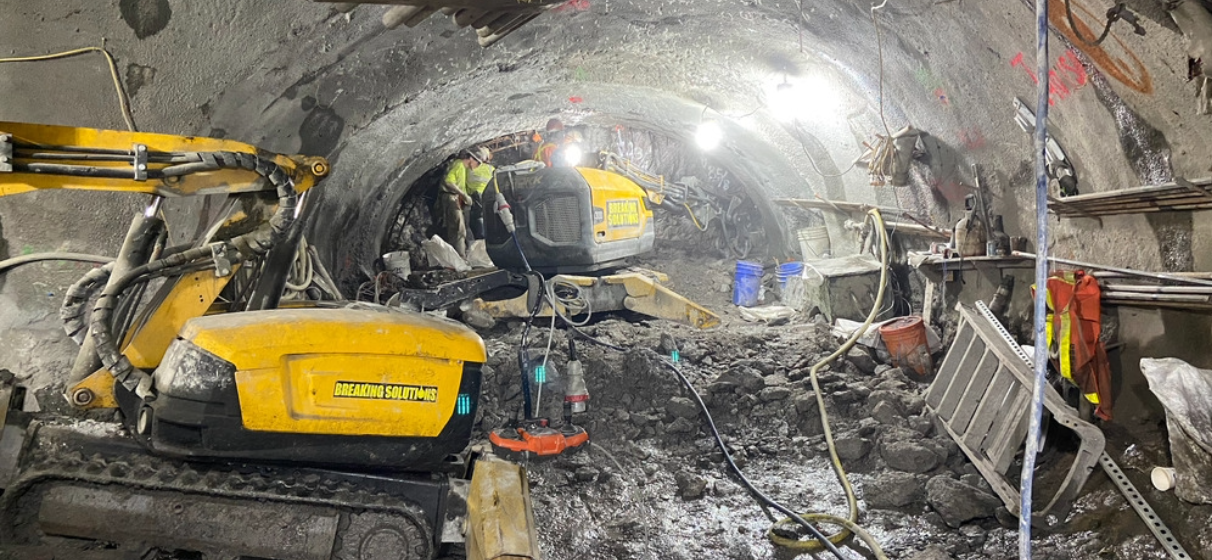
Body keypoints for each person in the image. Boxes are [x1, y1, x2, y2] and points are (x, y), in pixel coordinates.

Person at [438, 150, 481, 257]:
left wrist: (465, 198)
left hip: (454, 199)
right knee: (459, 230)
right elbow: (448, 182)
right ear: (471, 158)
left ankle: (458, 256)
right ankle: (460, 257)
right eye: (478, 162)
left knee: (456, 229)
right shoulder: (458, 165)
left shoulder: (462, 168)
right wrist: (463, 195)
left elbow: (459, 185)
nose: (478, 165)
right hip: (451, 198)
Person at [465, 147, 494, 240]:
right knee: (487, 218)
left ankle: (480, 239)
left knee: (476, 219)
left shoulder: (469, 168)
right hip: (487, 196)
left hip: (474, 196)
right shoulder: (491, 169)